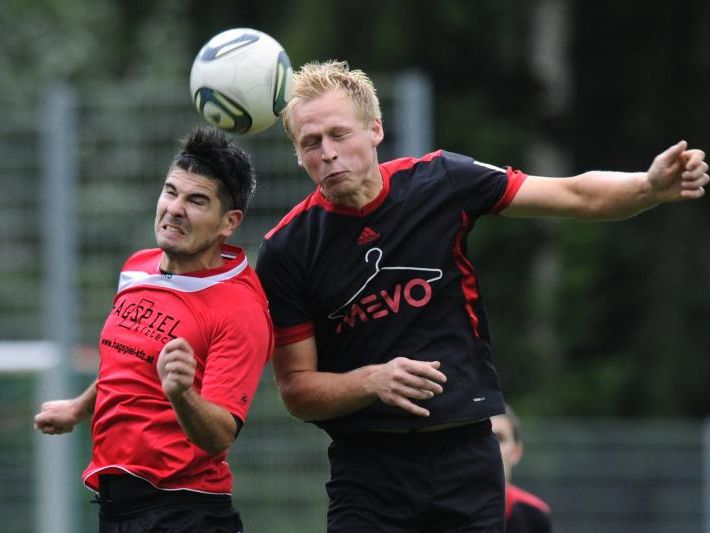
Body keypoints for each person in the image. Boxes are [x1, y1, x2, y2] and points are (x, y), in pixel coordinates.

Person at [255, 60, 708, 532]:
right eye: (311, 142)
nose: (327, 152)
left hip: (465, 459)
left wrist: (649, 186)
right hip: (367, 472)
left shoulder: (441, 180)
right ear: (298, 153)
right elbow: (297, 390)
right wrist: (370, 381)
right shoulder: (287, 249)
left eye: (338, 134)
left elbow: (576, 196)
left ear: (375, 130)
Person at [34, 125, 273, 532]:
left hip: (185, 513)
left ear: (228, 222)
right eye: (170, 191)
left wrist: (181, 394)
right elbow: (128, 364)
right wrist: (79, 407)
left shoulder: (241, 308)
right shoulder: (138, 266)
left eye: (197, 200)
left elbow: (219, 436)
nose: (175, 209)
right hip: (118, 512)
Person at [492, 405, 552, 532]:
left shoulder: (534, 515)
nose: (491, 446)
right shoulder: (447, 510)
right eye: (484, 439)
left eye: (499, 438)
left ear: (516, 452)